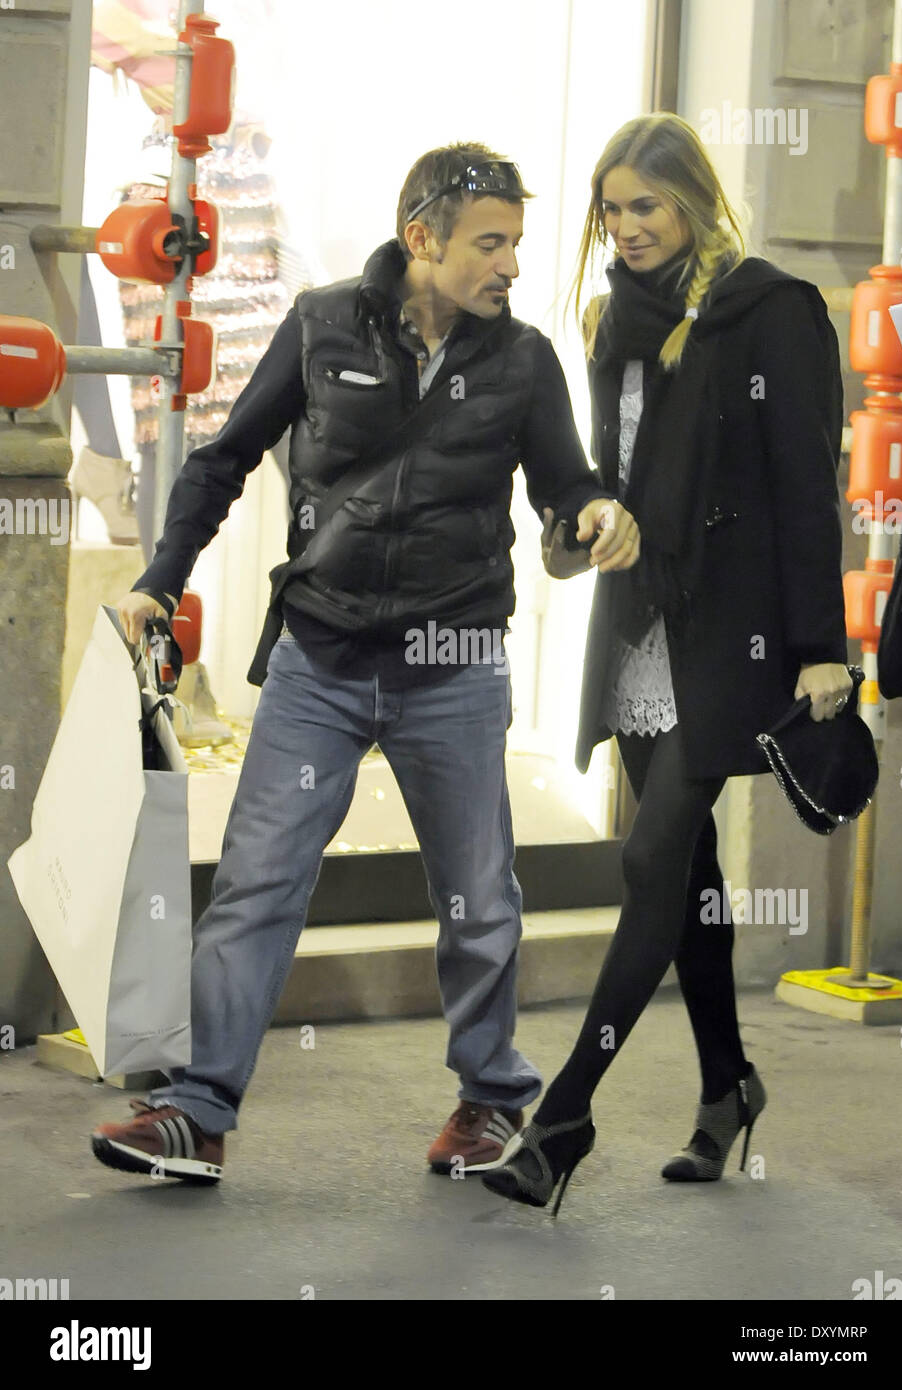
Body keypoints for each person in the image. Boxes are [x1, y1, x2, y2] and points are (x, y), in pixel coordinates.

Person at [90, 141, 619, 1184]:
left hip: (456, 660)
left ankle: (487, 1101)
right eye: (488, 242)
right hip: (320, 659)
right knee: (257, 883)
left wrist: (592, 513)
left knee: (478, 898)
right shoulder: (324, 322)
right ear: (421, 237)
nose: (509, 263)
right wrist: (160, 577)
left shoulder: (522, 363)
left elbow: (565, 487)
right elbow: (224, 456)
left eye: (515, 241)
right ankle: (197, 1111)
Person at [483, 113, 854, 1216]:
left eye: (644, 205)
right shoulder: (611, 319)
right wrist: (577, 518)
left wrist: (820, 647)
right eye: (610, 209)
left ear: (693, 200)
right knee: (681, 868)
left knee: (649, 858)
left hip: (731, 622)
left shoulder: (771, 313)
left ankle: (562, 1121)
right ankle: (725, 1085)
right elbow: (609, 466)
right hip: (638, 614)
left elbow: (802, 486)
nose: (625, 226)